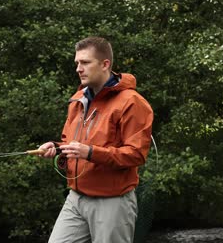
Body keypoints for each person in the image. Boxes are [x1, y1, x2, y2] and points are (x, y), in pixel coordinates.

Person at [38, 36, 153, 243]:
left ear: (105, 64)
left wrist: (90, 152)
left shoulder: (132, 102)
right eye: (77, 63)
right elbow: (69, 142)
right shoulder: (78, 99)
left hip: (113, 201)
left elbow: (136, 155)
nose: (78, 69)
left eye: (85, 62)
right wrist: (55, 148)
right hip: (76, 198)